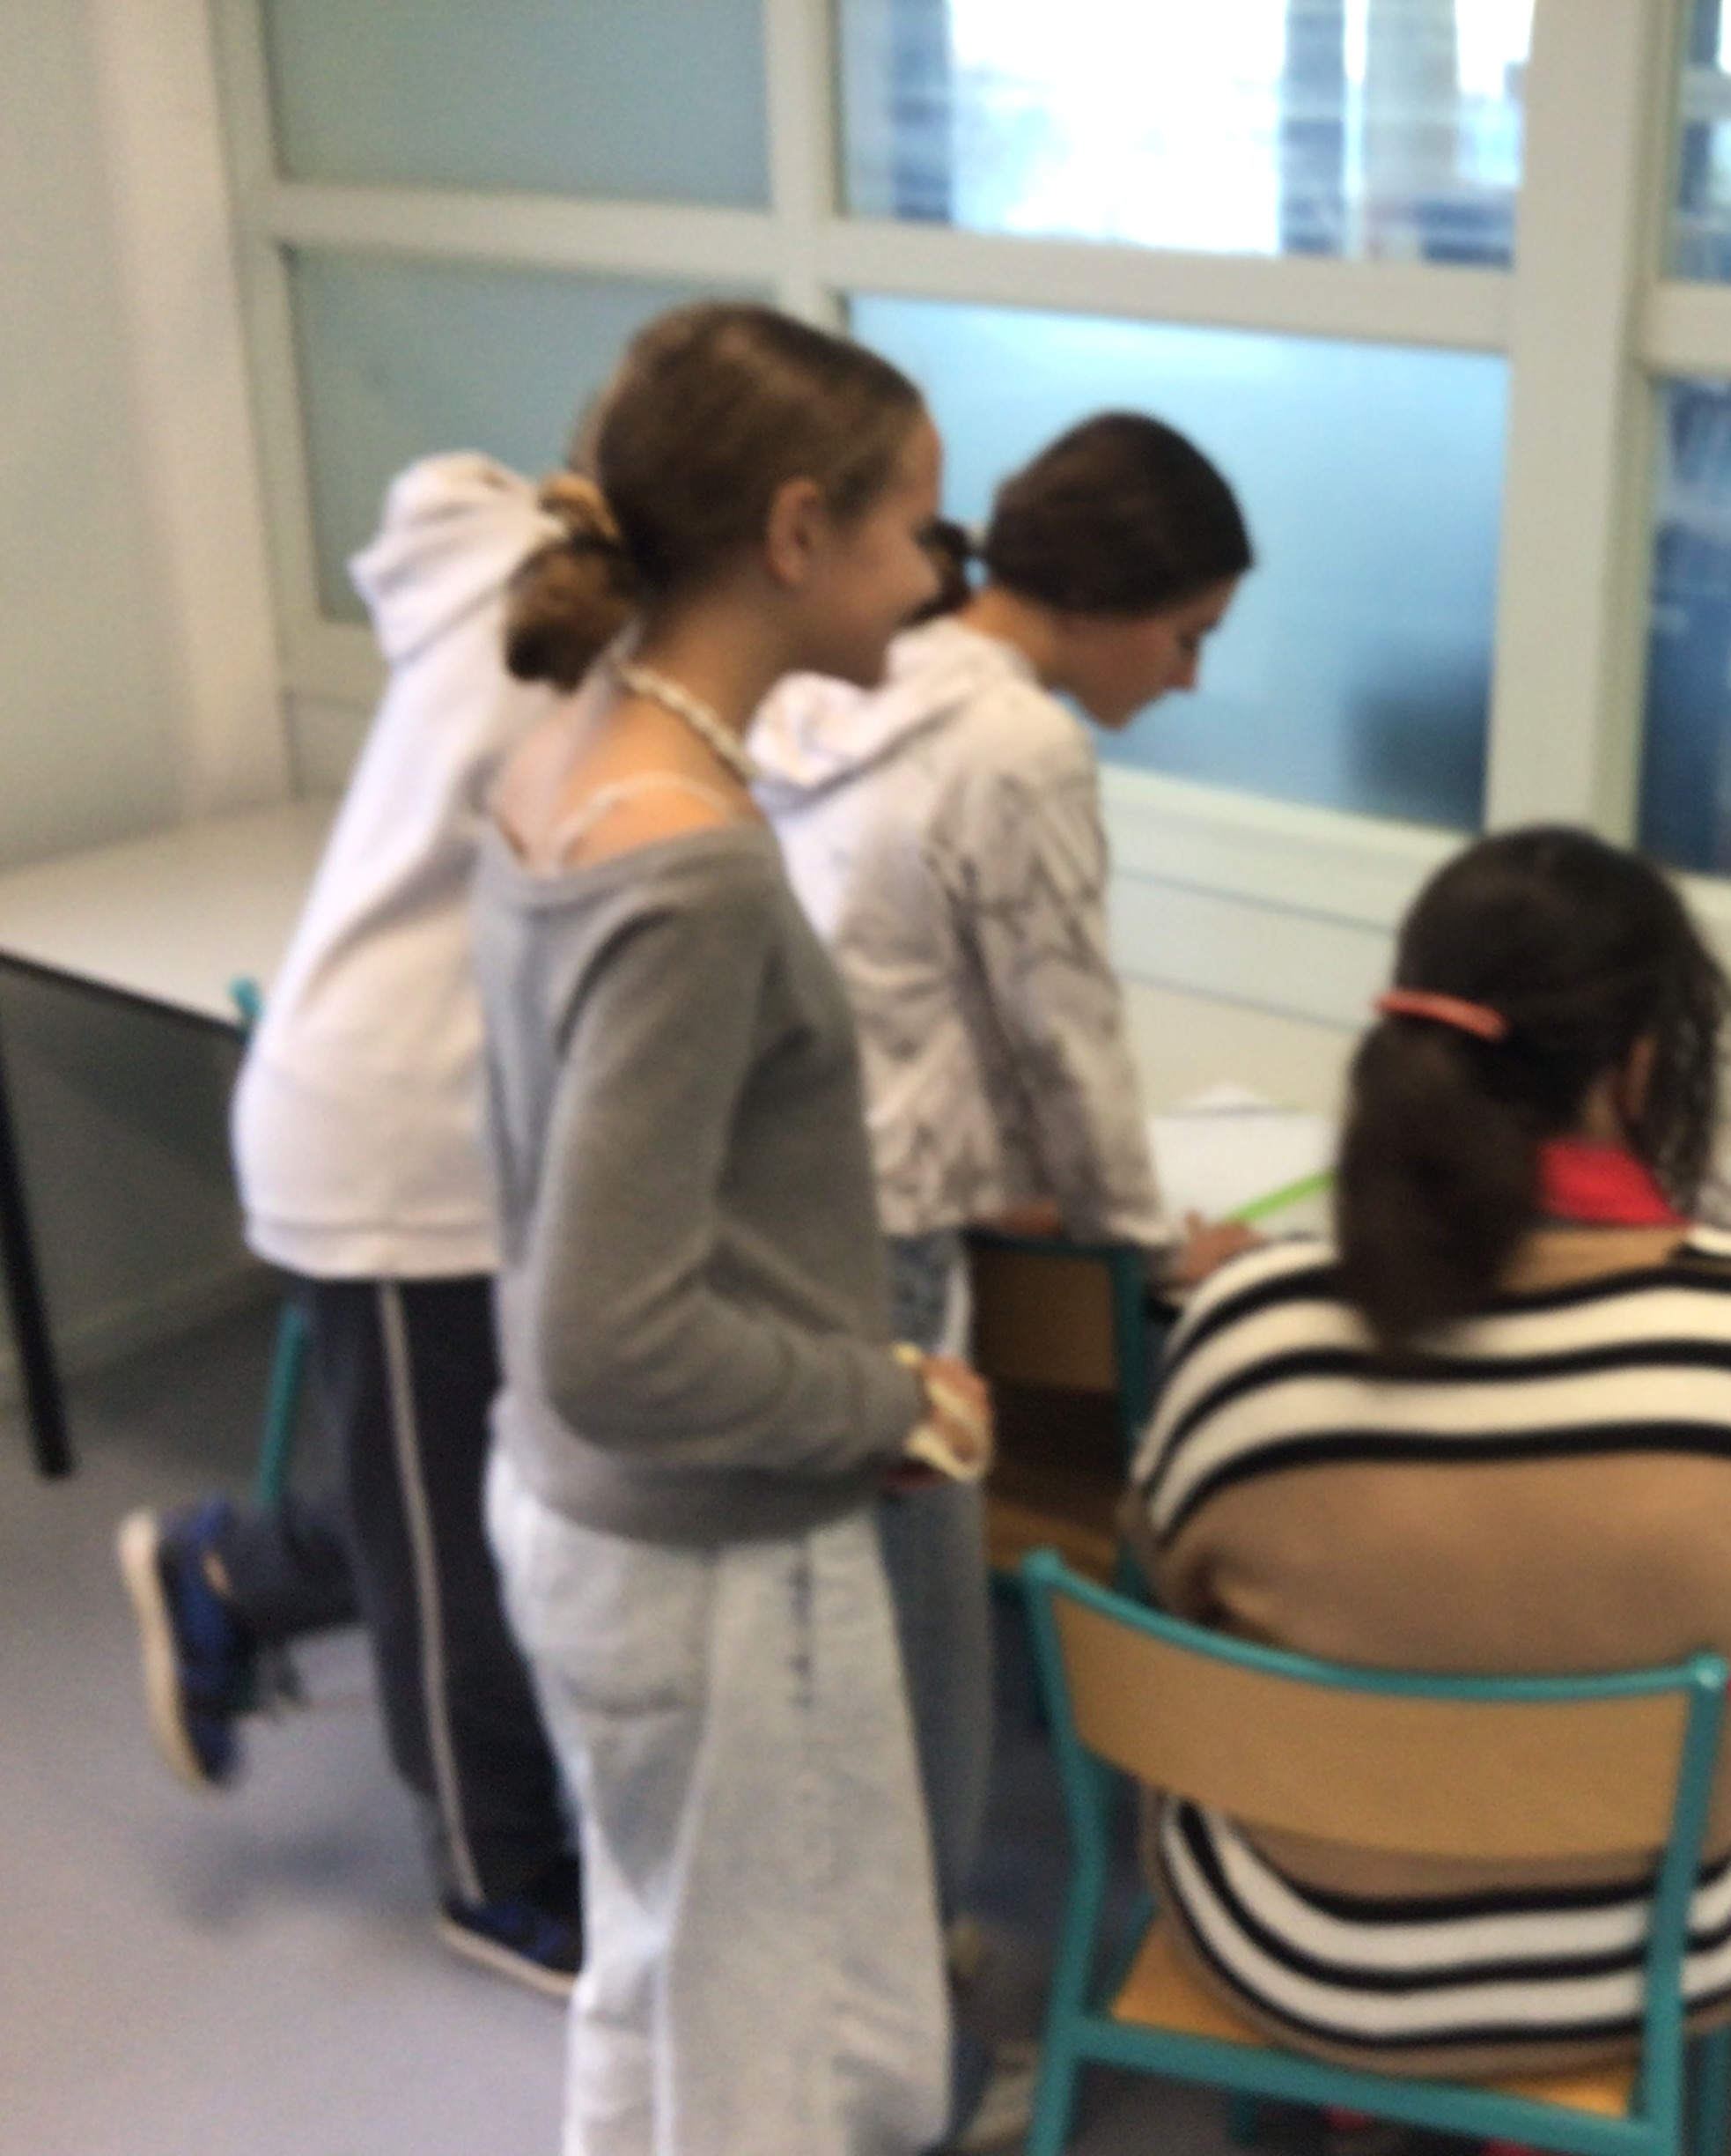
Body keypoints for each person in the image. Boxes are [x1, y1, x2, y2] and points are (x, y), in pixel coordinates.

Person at [1127, 826, 1731, 2079]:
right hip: (1660, 1959)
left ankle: (1360, 2095)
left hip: (1307, 1951)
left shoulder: (1246, 1334)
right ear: (1641, 1068)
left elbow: (1170, 1570)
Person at [474, 301, 991, 2156]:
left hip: (587, 1522)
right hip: (706, 1557)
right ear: (794, 532)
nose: (935, 575)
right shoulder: (686, 858)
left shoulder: (566, 759)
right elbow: (614, 1337)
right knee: (802, 2072)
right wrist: (883, 1400)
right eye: (913, 529)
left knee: (667, 1993)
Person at [749, 411, 1261, 2134]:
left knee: (829, 1659)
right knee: (922, 1683)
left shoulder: (846, 680)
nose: (1189, 679)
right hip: (887, 1261)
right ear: (1105, 601)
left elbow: (892, 977)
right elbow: (1068, 1033)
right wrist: (1140, 1232)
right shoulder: (1019, 743)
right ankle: (928, 2064)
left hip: (780, 1205)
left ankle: (850, 1987)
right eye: (1185, 636)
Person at [114, 453, 582, 1995]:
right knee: (456, 1548)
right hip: (403, 1145)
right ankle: (495, 1873)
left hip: (456, 1125)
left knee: (475, 1493)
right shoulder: (578, 643)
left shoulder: (539, 587)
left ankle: (234, 1572)